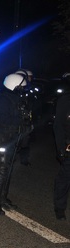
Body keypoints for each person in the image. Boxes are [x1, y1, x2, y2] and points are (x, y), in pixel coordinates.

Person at [0, 73, 31, 215]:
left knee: (8, 171)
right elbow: (3, 120)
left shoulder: (14, 99)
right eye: (20, 87)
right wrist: (20, 124)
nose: (22, 90)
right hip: (1, 140)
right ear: (14, 85)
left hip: (11, 140)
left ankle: (2, 198)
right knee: (1, 171)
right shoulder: (2, 100)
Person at [53, 91, 70, 220]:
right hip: (68, 145)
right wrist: (61, 148)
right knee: (64, 178)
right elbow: (58, 125)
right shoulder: (65, 100)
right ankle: (59, 208)